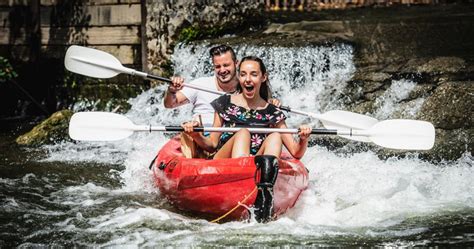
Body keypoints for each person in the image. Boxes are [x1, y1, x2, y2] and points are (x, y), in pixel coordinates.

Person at [181, 56, 312, 222]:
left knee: (275, 136)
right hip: (225, 166)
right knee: (243, 132)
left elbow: (295, 152)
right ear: (239, 77)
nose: (247, 79)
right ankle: (240, 188)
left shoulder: (273, 111)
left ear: (263, 77)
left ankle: (265, 195)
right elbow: (211, 144)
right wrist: (195, 134)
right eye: (243, 74)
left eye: (253, 74)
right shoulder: (223, 103)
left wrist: (303, 138)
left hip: (257, 171)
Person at [164, 45, 280, 158]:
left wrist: (271, 104)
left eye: (226, 65)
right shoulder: (200, 84)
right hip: (206, 139)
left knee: (244, 134)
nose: (222, 70)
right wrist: (172, 90)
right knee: (242, 134)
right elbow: (170, 103)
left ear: (236, 64)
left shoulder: (249, 85)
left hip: (243, 140)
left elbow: (262, 108)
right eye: (217, 67)